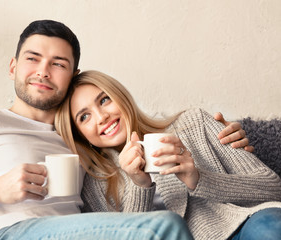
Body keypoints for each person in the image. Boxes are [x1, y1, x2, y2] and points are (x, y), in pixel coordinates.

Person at [0, 20, 248, 240]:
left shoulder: (85, 135)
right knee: (161, 229)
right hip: (5, 234)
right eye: (32, 59)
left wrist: (225, 139)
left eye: (58, 63)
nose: (43, 71)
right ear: (14, 66)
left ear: (72, 75)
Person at [55, 70, 281, 240]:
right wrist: (139, 185)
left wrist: (199, 179)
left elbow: (272, 186)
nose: (101, 116)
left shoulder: (193, 123)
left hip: (243, 229)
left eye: (104, 100)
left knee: (268, 227)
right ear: (80, 134)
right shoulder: (94, 183)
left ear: (121, 97)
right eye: (84, 117)